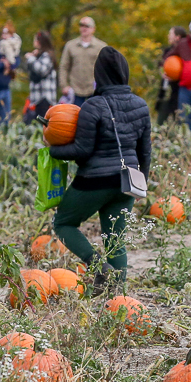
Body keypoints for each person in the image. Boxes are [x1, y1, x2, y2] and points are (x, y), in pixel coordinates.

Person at [48, 46, 151, 293]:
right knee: (116, 240)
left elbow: (81, 151)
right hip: (127, 182)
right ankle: (118, 299)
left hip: (94, 180)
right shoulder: (141, 105)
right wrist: (142, 183)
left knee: (63, 223)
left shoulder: (92, 106)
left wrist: (52, 150)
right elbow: (145, 152)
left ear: (99, 75)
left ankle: (99, 267)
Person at [59, 17, 108, 105]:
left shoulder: (101, 46)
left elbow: (106, 68)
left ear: (93, 29)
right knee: (75, 113)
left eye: (87, 26)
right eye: (81, 25)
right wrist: (64, 85)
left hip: (94, 90)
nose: (84, 28)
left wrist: (104, 86)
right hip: (75, 90)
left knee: (94, 113)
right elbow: (64, 67)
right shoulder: (70, 45)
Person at [23, 30, 58, 125]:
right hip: (37, 97)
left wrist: (31, 58)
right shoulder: (39, 55)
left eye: (35, 39)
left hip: (44, 97)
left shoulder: (47, 55)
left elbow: (41, 70)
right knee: (35, 122)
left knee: (42, 123)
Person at [155, 26, 187, 125]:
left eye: (170, 34)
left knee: (178, 119)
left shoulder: (185, 52)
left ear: (177, 37)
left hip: (179, 89)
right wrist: (162, 72)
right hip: (166, 88)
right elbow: (161, 64)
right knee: (162, 117)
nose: (168, 36)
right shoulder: (168, 51)